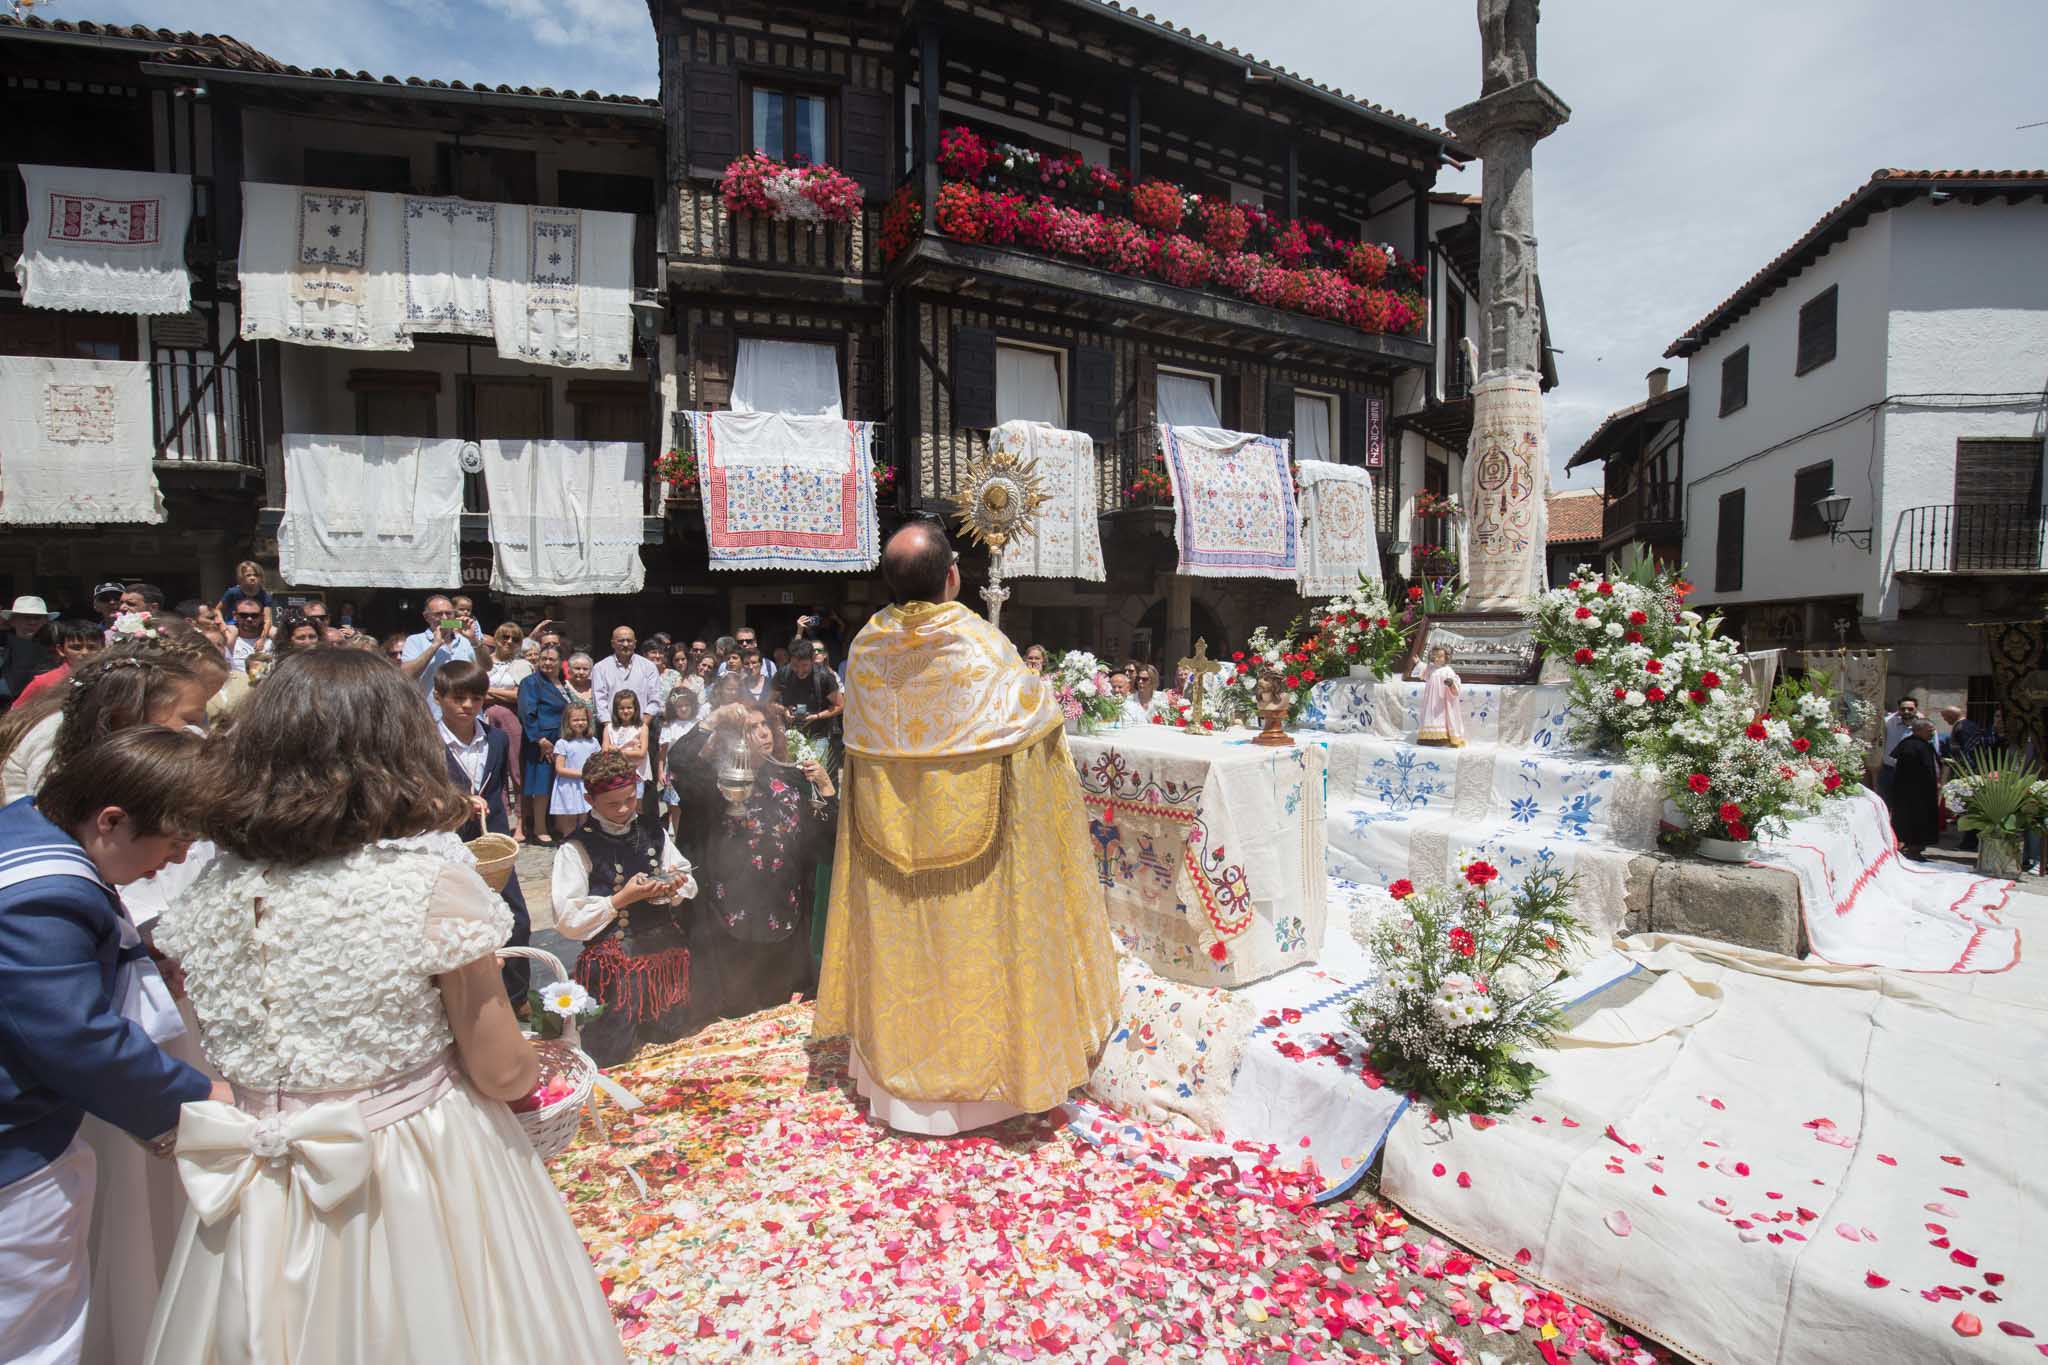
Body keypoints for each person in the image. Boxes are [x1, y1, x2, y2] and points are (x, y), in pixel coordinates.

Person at [145, 649, 624, 1363]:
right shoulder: (427, 885)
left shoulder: (209, 891)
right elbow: (500, 1070)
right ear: (398, 750)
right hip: (409, 1170)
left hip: (254, 1191)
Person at [815, 522, 1117, 1135]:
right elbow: (1030, 728)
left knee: (905, 955)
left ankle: (893, 1083)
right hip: (976, 860)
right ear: (953, 576)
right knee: (971, 952)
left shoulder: (866, 650)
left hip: (887, 836)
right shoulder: (981, 646)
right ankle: (986, 1094)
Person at [0, 727, 225, 1365]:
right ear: (112, 820)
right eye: (175, 840)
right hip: (16, 1157)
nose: (179, 860)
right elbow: (73, 1037)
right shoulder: (48, 893)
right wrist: (201, 1096)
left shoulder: (22, 829)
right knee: (32, 1339)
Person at [672, 699, 837, 1024]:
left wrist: (827, 789)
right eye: (752, 727)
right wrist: (716, 716)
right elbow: (680, 762)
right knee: (739, 1013)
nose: (763, 733)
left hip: (784, 912)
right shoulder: (719, 782)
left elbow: (825, 835)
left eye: (766, 726)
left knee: (776, 1012)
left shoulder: (791, 778)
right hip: (732, 920)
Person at [549, 749, 697, 1066]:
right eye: (612, 803)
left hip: (664, 956)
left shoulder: (652, 829)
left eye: (630, 799)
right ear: (589, 800)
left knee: (670, 1047)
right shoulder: (576, 846)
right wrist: (620, 900)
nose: (624, 809)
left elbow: (684, 873)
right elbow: (567, 919)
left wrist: (673, 887)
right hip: (613, 963)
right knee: (611, 1055)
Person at [0, 631, 227, 807]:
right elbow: (53, 816)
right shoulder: (57, 733)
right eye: (190, 719)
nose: (199, 731)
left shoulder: (125, 741)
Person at [434, 661, 532, 1002]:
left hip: (493, 841)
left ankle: (518, 997)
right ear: (438, 696)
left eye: (475, 699)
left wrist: (517, 818)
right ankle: (465, 1000)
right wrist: (458, 800)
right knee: (460, 919)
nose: (467, 706)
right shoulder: (427, 741)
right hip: (448, 840)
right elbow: (418, 791)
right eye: (458, 698)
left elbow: (503, 784)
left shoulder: (497, 737)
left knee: (515, 915)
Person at [517, 644, 569, 846]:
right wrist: (540, 740)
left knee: (559, 784)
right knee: (541, 786)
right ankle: (539, 828)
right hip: (541, 741)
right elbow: (526, 712)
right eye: (543, 659)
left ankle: (558, 825)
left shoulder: (563, 683)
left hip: (562, 740)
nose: (547, 663)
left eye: (552, 659)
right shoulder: (530, 682)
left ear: (559, 662)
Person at [399, 595, 483, 719]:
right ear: (426, 617)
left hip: (468, 718)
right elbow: (406, 675)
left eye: (448, 614)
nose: (444, 618)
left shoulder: (466, 640)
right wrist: (435, 645)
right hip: (433, 718)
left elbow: (486, 667)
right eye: (438, 614)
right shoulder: (415, 640)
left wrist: (475, 640)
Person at [773, 638, 844, 765]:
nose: (800, 671)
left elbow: (840, 705)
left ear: (812, 659)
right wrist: (784, 710)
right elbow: (769, 702)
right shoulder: (783, 674)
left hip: (818, 735)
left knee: (814, 775)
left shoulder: (825, 677)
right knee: (791, 777)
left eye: (804, 665)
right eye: (795, 666)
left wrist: (817, 716)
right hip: (789, 734)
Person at [483, 622, 532, 796]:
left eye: (515, 638)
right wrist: (508, 693)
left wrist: (489, 690)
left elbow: (523, 695)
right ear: (496, 638)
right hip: (485, 720)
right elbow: (477, 694)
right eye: (505, 637)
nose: (509, 641)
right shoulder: (483, 663)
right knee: (494, 769)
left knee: (517, 769)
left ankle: (521, 817)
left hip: (512, 719)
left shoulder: (522, 665)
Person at [14, 620, 105, 709]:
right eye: (76, 647)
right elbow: (15, 714)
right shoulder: (45, 682)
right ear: (61, 650)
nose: (85, 652)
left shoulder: (109, 678)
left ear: (103, 649)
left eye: (92, 647)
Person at [1886, 717, 1942, 860]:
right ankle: (1912, 848)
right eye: (1929, 731)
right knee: (1913, 820)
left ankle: (1917, 847)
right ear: (1919, 731)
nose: (1932, 733)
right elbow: (1910, 772)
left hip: (1923, 792)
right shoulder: (1910, 746)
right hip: (1913, 794)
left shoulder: (1923, 744)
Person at [589, 626, 660, 737]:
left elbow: (655, 700)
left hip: (643, 730)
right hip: (611, 730)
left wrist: (641, 728)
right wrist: (611, 731)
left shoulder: (649, 667)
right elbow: (599, 702)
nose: (626, 644)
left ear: (635, 643)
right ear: (612, 643)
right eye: (621, 641)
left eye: (629, 641)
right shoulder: (600, 668)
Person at [550, 703, 600, 838]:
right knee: (570, 821)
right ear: (568, 722)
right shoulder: (563, 743)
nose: (580, 723)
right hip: (569, 786)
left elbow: (598, 761)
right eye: (576, 720)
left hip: (587, 786)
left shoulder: (593, 741)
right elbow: (560, 768)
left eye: (583, 719)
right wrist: (583, 774)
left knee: (587, 819)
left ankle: (585, 846)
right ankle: (569, 845)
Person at [656, 689, 700, 836]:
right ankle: (676, 830)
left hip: (694, 771)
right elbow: (663, 752)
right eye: (679, 706)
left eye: (686, 705)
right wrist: (661, 771)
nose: (683, 708)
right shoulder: (669, 726)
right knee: (675, 804)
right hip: (674, 771)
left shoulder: (698, 724)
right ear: (673, 708)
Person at [2, 595, 56, 708]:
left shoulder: (57, 648)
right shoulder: (3, 646)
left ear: (45, 621)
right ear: (12, 621)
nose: (32, 622)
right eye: (26, 617)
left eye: (37, 618)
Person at [602, 688, 653, 808]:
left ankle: (636, 826)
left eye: (629, 707)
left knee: (636, 805)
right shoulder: (609, 728)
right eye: (621, 708)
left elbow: (641, 753)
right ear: (616, 710)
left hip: (636, 774)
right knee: (619, 805)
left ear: (635, 708)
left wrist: (617, 750)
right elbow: (604, 750)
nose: (626, 711)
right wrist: (631, 751)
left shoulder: (642, 727)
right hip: (615, 773)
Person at [1415, 644, 1467, 747]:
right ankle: (1428, 737)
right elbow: (1424, 674)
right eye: (1434, 656)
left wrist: (1451, 683)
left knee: (1441, 716)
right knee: (1429, 715)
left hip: (1441, 699)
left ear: (1446, 658)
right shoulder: (1431, 668)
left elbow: (1455, 684)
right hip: (1430, 699)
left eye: (1440, 656)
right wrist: (1418, 663)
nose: (1437, 659)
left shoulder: (1448, 670)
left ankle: (1441, 736)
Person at [215, 562, 273, 642]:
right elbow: (217, 610)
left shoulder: (264, 595)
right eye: (248, 575)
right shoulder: (233, 592)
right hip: (234, 623)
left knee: (275, 633)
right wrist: (222, 623)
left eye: (255, 575)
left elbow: (267, 619)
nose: (252, 578)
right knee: (230, 636)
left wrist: (262, 639)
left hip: (257, 623)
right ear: (241, 577)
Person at [1878, 695, 1919, 796]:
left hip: (1911, 772)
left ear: (1916, 709)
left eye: (1910, 709)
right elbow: (1879, 720)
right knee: (1886, 800)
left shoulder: (1923, 726)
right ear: (1898, 710)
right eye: (1903, 709)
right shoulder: (1889, 723)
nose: (1906, 711)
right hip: (1889, 770)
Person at [224, 595, 268, 668]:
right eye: (243, 615)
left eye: (254, 615)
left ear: (262, 617)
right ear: (235, 616)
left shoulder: (272, 642)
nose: (249, 619)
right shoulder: (227, 641)